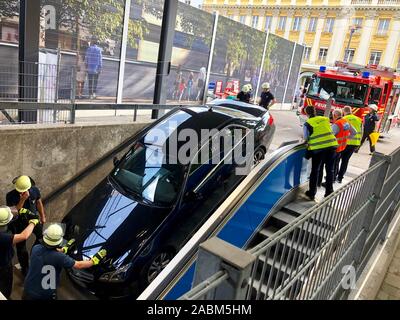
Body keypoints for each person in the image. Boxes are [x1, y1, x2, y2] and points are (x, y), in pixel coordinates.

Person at [22, 223, 107, 300]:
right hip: (44, 294)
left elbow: (48, 253)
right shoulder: (60, 258)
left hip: (28, 290)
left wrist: (63, 249)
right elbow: (79, 265)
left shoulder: (36, 248)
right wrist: (94, 260)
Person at [6, 175, 46, 276]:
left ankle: (35, 255)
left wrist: (42, 216)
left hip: (34, 219)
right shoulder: (10, 196)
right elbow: (15, 211)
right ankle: (25, 268)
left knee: (42, 237)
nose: (22, 192)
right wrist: (23, 199)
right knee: (21, 247)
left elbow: (39, 203)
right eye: (20, 191)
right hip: (19, 223)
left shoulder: (34, 190)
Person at [0, 206, 38, 299]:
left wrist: (20, 210)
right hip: (3, 266)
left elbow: (10, 213)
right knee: (5, 287)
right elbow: (24, 236)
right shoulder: (3, 237)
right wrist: (33, 222)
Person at [303, 106, 338, 200]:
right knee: (330, 170)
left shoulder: (307, 123)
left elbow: (306, 138)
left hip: (319, 149)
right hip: (332, 146)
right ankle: (329, 192)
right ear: (314, 111)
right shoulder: (325, 119)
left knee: (315, 170)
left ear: (307, 113)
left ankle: (312, 193)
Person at [319, 109, 355, 186]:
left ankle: (329, 182)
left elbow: (329, 136)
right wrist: (346, 138)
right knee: (335, 164)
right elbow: (354, 132)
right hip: (342, 147)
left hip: (334, 148)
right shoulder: (346, 122)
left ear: (335, 115)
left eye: (332, 115)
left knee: (330, 167)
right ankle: (332, 180)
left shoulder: (337, 124)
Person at [336, 106, 363, 183]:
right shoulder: (359, 119)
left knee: (337, 159)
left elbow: (342, 131)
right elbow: (362, 132)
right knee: (345, 161)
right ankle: (340, 178)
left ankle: (334, 175)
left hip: (345, 142)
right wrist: (359, 144)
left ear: (344, 112)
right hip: (355, 143)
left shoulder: (344, 119)